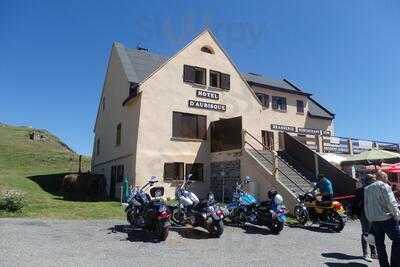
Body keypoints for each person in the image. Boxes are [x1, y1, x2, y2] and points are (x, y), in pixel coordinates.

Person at [364, 171, 400, 267]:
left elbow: (366, 205)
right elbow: (391, 203)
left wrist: (370, 218)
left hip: (374, 220)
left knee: (379, 244)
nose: (387, 179)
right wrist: (397, 216)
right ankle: (395, 264)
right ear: (381, 177)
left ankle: (384, 265)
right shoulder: (384, 186)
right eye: (386, 177)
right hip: (386, 218)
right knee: (398, 240)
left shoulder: (367, 188)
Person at [352, 174, 378, 262]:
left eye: (374, 179)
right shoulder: (360, 190)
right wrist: (354, 214)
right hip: (364, 213)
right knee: (366, 233)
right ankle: (365, 253)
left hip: (374, 213)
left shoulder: (375, 190)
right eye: (373, 179)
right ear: (368, 181)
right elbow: (355, 203)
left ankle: (373, 253)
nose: (375, 181)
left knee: (372, 233)